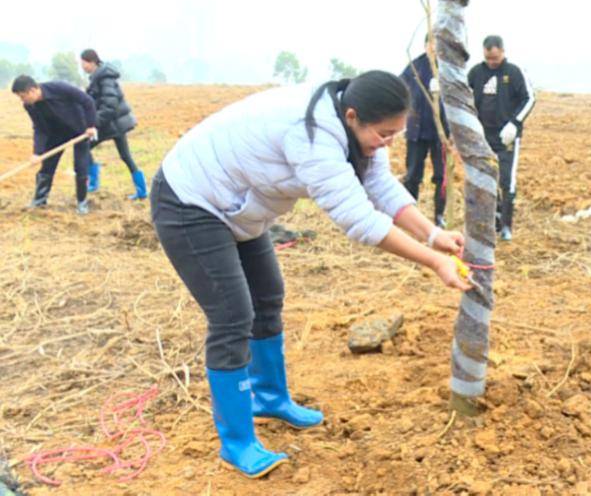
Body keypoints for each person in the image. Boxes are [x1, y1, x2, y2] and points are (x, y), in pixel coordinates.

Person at [151, 72, 471, 478]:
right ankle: (237, 443)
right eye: (385, 134)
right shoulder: (312, 135)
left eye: (396, 135)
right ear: (353, 116)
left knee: (268, 296)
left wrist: (433, 233)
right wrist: (433, 261)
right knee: (233, 315)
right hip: (191, 201)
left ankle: (268, 397)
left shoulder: (359, 126)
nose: (388, 142)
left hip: (239, 209)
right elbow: (358, 219)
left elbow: (380, 186)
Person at [467, 35, 535, 241]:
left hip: (506, 136)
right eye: (488, 58)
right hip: (482, 135)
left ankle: (507, 225)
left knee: (506, 180)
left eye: (495, 58)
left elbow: (530, 98)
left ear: (503, 52)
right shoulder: (476, 73)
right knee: (484, 178)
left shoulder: (514, 72)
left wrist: (515, 123)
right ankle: (491, 221)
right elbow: (466, 100)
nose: (492, 62)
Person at [10, 75, 97, 214]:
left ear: (32, 90)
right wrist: (37, 152)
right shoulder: (30, 106)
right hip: (56, 134)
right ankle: (39, 200)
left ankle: (82, 203)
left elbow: (87, 101)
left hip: (80, 131)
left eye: (22, 96)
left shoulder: (59, 88)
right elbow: (39, 128)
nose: (22, 100)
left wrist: (91, 125)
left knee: (80, 167)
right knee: (47, 167)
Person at [80, 49, 146, 199]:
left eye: (83, 63)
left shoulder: (105, 78)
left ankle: (93, 182)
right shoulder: (98, 77)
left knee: (84, 145)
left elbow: (110, 105)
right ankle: (142, 190)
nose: (82, 66)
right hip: (114, 123)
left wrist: (94, 123)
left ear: (91, 62)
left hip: (112, 123)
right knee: (125, 156)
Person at [401, 36, 450, 226]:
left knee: (441, 176)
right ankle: (409, 214)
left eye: (438, 45)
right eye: (431, 44)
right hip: (416, 131)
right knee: (412, 174)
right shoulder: (415, 66)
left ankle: (439, 216)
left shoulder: (447, 69)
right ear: (425, 45)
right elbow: (401, 87)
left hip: (440, 134)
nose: (434, 48)